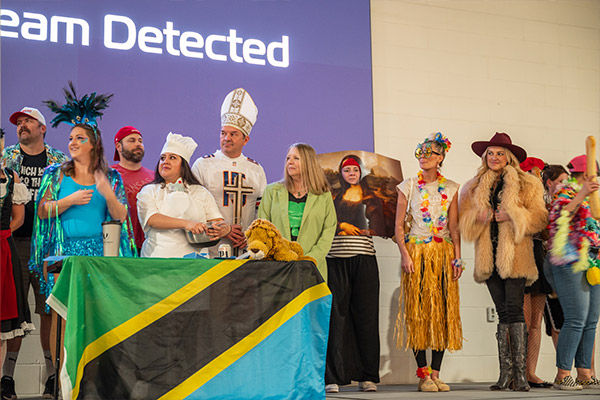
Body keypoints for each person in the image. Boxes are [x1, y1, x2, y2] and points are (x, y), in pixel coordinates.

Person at [459, 132, 547, 392]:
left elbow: (540, 218)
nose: (494, 157)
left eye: (499, 153)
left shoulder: (528, 183)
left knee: (515, 310)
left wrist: (513, 215)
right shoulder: (474, 185)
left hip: (516, 257)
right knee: (502, 312)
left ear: (509, 157)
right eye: (490, 153)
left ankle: (520, 376)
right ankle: (505, 374)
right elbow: (463, 218)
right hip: (488, 256)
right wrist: (477, 217)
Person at [1, 107, 67, 400]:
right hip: (14, 243)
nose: (22, 125)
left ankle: (52, 376)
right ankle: (7, 378)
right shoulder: (6, 159)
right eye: (19, 122)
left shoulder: (59, 161)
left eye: (28, 121)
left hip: (48, 245)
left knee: (48, 310)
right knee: (14, 311)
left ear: (42, 128)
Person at [394, 132, 463, 393]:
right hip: (417, 254)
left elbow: (454, 228)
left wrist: (458, 258)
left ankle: (436, 373)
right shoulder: (408, 186)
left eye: (429, 153)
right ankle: (423, 374)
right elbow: (398, 226)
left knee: (443, 312)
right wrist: (405, 254)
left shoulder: (452, 188)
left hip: (443, 255)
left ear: (440, 157)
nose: (423, 157)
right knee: (419, 313)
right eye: (420, 152)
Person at [324, 154, 381, 394]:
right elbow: (324, 222)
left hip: (364, 258)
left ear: (360, 172)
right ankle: (333, 377)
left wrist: (377, 228)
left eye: (355, 170)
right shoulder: (331, 197)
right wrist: (341, 226)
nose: (351, 174)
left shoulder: (371, 198)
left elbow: (381, 224)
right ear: (341, 173)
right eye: (347, 170)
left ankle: (367, 376)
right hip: (335, 259)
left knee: (367, 317)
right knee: (335, 318)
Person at [546, 154, 600, 390]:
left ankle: (584, 372)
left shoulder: (592, 199)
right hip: (568, 260)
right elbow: (560, 217)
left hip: (592, 262)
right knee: (576, 317)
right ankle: (563, 374)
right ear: (584, 175)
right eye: (593, 176)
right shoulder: (565, 193)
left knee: (591, 319)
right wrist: (582, 193)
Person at [192, 88, 267, 256]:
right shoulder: (203, 165)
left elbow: (261, 213)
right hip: (211, 248)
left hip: (246, 249)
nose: (226, 138)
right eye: (223, 133)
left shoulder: (256, 170)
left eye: (233, 134)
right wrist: (224, 230)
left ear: (245, 139)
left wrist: (252, 236)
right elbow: (193, 209)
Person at [137, 132, 230, 258]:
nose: (165, 161)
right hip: (157, 261)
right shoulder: (149, 191)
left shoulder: (200, 192)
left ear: (183, 165)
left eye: (172, 158)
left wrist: (224, 229)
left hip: (195, 263)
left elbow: (216, 221)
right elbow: (152, 219)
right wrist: (187, 224)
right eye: (162, 158)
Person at [258, 142, 336, 281]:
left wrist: (311, 258)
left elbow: (328, 231)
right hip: (277, 268)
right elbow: (262, 229)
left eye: (296, 158)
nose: (290, 162)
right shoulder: (271, 191)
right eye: (288, 158)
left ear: (309, 162)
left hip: (312, 269)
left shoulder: (323, 195)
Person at [1, 135, 35, 371]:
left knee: (2, 324)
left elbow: (19, 218)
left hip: (4, 250)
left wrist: (4, 234)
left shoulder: (11, 177)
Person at [519, 157, 554, 388]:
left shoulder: (543, 199)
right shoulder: (518, 196)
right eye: (534, 173)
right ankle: (516, 370)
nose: (538, 178)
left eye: (540, 174)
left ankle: (531, 371)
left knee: (536, 321)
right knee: (522, 318)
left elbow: (545, 232)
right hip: (521, 255)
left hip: (538, 254)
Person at [110, 126, 154, 255]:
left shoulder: (154, 176)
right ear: (118, 146)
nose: (138, 144)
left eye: (140, 141)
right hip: (120, 246)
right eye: (132, 140)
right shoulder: (110, 175)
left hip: (149, 245)